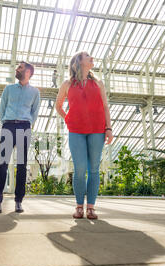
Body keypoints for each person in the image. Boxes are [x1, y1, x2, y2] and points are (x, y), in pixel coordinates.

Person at [54, 52, 113, 219]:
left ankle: (91, 207)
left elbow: (105, 107)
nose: (92, 57)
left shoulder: (98, 83)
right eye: (87, 56)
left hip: (97, 130)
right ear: (78, 62)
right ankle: (79, 206)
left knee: (94, 169)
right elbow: (58, 105)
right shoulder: (67, 84)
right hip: (76, 131)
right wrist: (68, 119)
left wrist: (109, 128)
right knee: (79, 169)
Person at [0, 61, 40, 214]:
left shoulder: (35, 92)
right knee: (3, 164)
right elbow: (2, 109)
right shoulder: (9, 89)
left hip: (24, 127)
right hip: (8, 126)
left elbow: (34, 112)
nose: (17, 69)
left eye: (20, 67)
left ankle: (19, 201)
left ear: (28, 72)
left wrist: (27, 124)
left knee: (21, 165)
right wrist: (7, 122)